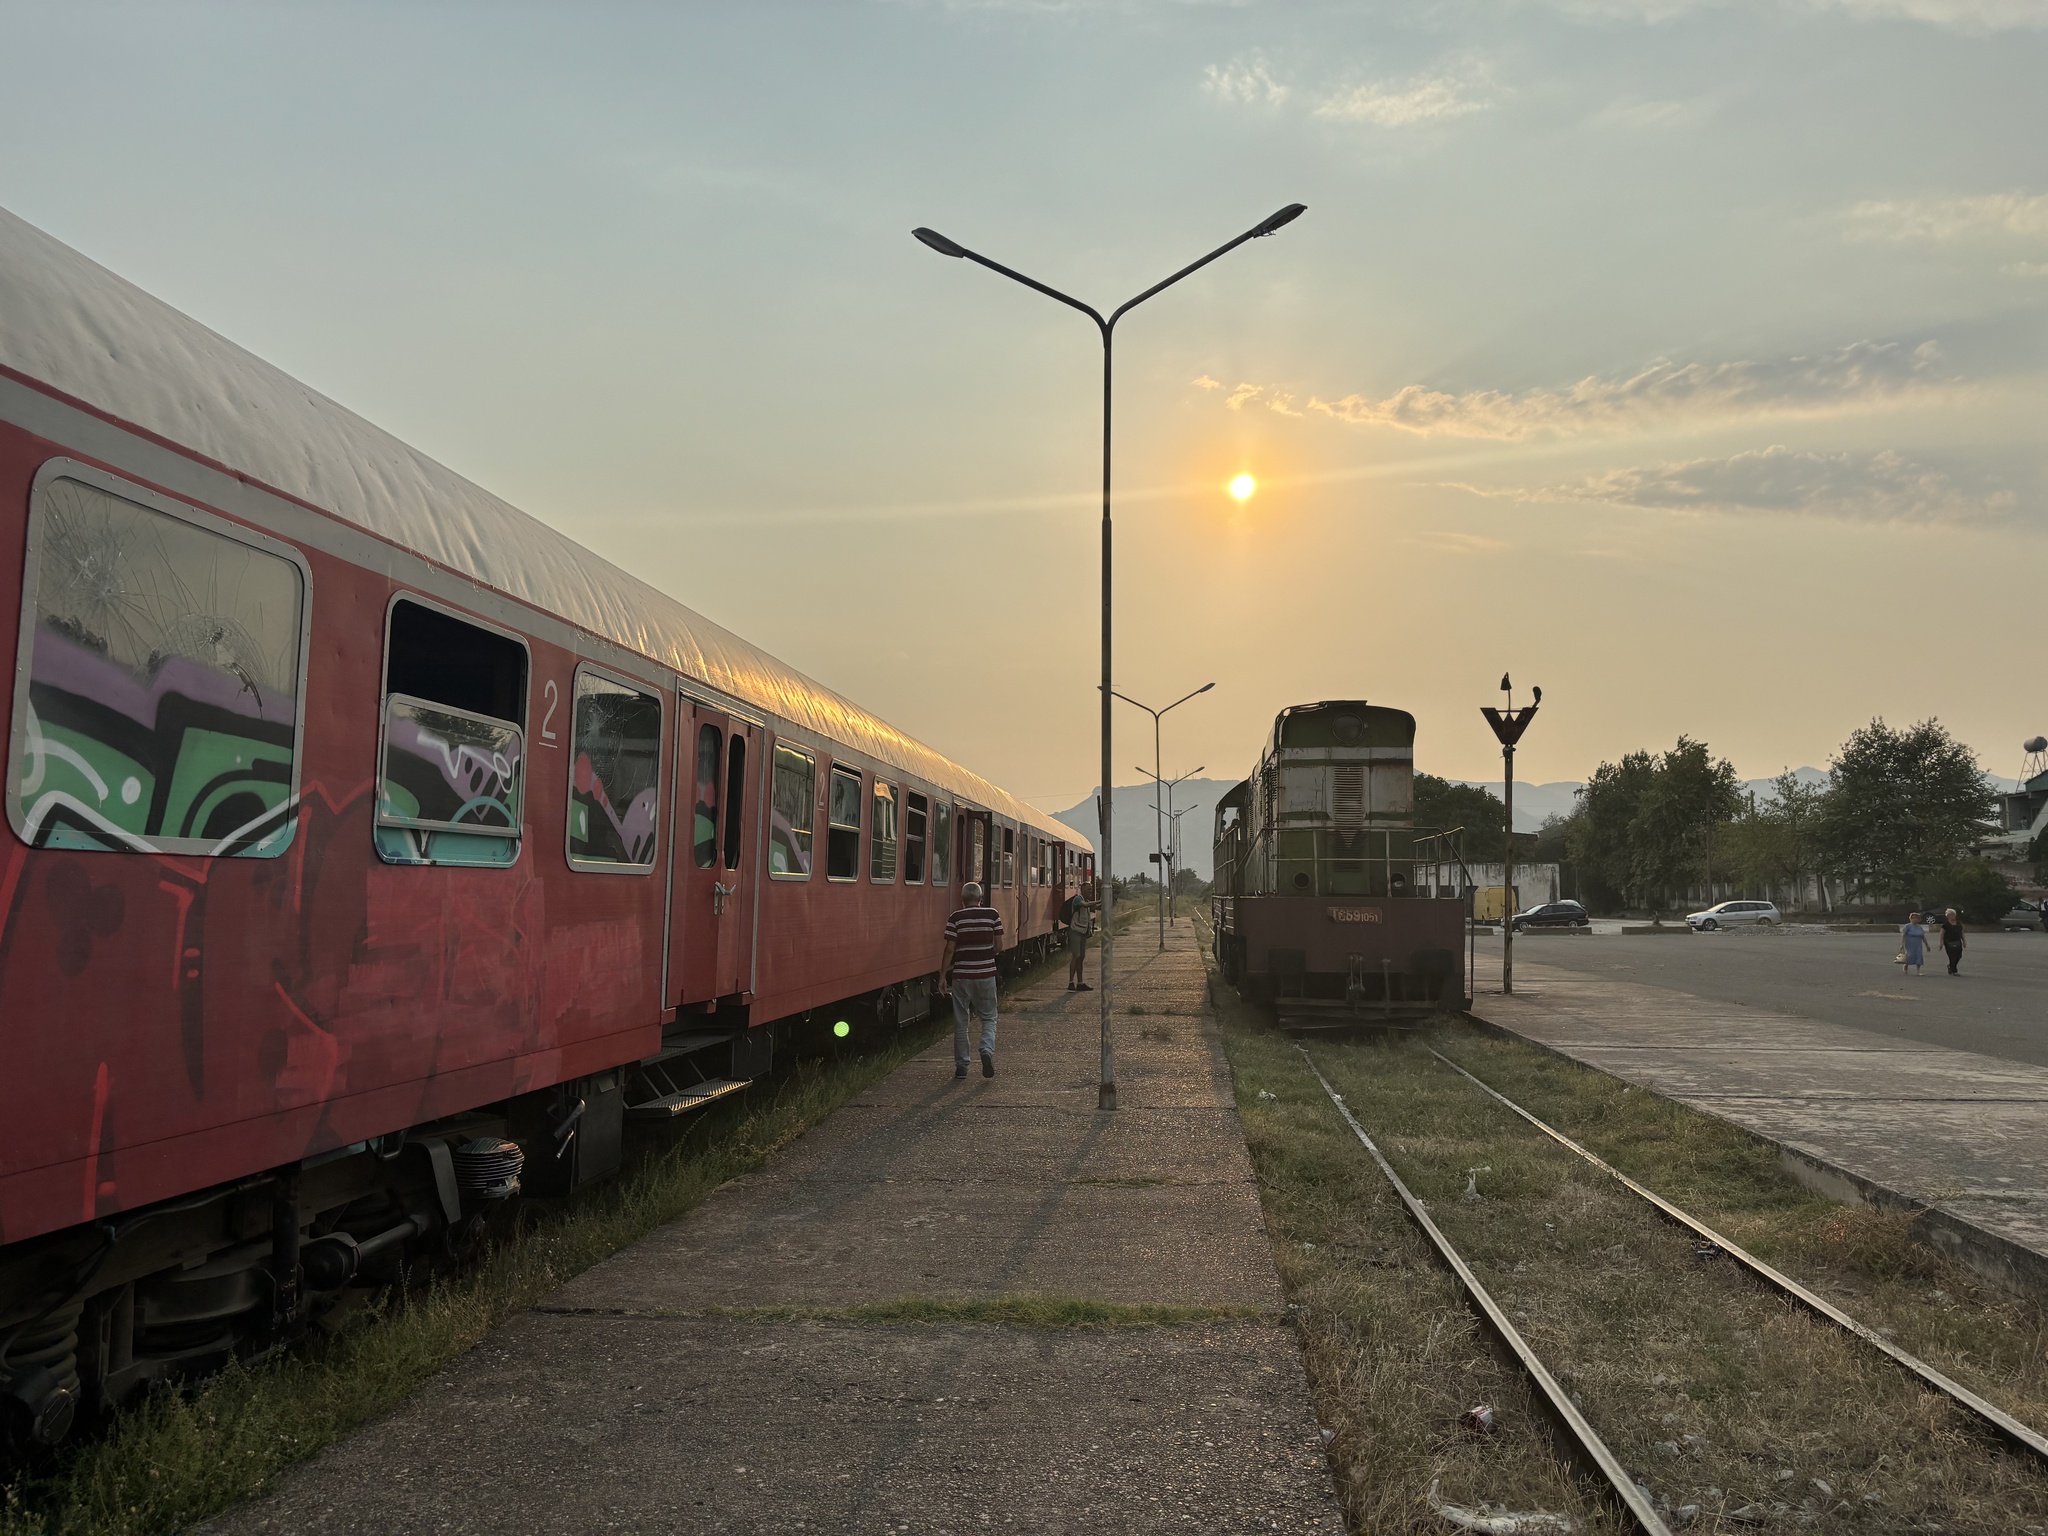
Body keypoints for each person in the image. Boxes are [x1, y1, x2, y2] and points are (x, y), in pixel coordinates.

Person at [938, 882, 1004, 1078]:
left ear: (962, 899)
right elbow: (999, 946)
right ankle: (986, 1049)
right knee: (989, 1018)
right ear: (981, 898)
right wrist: (985, 956)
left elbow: (950, 949)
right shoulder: (993, 915)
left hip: (961, 976)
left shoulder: (955, 918)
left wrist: (942, 975)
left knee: (960, 1022)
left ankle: (962, 1067)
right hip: (986, 975)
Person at [1061, 882, 1100, 992]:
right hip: (1075, 932)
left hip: (1082, 932)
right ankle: (1070, 982)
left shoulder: (1087, 901)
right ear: (1082, 890)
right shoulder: (1078, 899)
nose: (1090, 891)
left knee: (1081, 957)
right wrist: (1099, 901)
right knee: (1076, 955)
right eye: (1088, 889)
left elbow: (1096, 907)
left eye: (1091, 890)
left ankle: (1080, 982)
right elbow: (1085, 905)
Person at [1900, 911, 1927, 977]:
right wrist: (1902, 944)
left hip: (1918, 943)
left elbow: (1923, 936)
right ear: (1911, 918)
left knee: (1919, 955)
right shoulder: (1907, 926)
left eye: (1917, 918)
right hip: (1910, 942)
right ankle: (1906, 966)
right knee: (1910, 955)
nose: (1915, 919)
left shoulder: (1919, 927)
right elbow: (1904, 935)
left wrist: (1927, 945)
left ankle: (1918, 970)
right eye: (1913, 918)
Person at [1940, 907, 1966, 976]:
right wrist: (1941, 942)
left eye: (1954, 915)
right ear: (1948, 916)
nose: (1953, 916)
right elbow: (1942, 933)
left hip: (1957, 941)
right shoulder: (1946, 925)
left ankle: (1950, 966)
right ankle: (1954, 970)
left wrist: (1964, 941)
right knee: (1952, 956)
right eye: (1951, 915)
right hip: (1948, 942)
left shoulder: (1958, 924)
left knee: (1959, 955)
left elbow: (1962, 932)